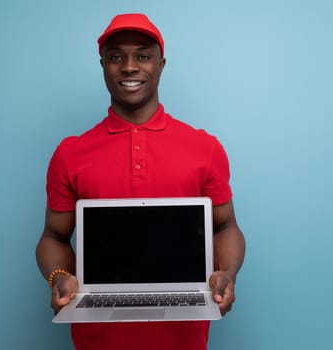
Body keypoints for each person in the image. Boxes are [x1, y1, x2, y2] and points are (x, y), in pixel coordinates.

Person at [36, 13, 245, 350]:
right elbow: (54, 236)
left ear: (161, 64)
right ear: (103, 65)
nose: (129, 66)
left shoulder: (205, 148)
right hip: (97, 340)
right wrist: (58, 277)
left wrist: (228, 274)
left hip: (184, 338)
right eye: (116, 57)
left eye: (143, 56)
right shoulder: (70, 153)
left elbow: (226, 227)